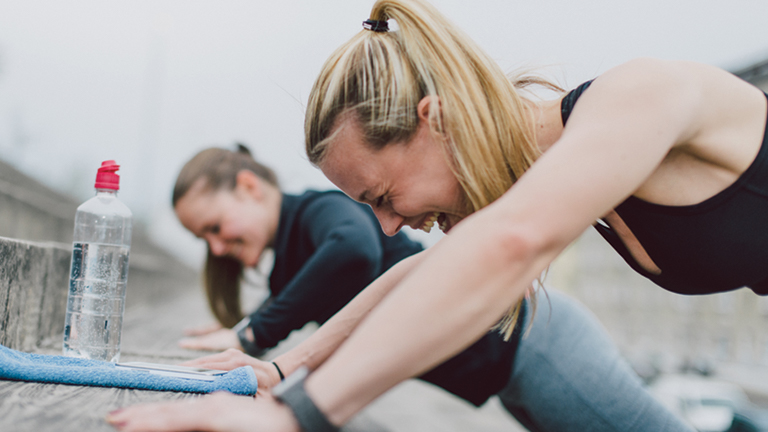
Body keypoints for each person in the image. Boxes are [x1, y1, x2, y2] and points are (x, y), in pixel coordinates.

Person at [106, 0, 768, 429]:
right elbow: (414, 275)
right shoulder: (540, 176)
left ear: (434, 120)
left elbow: (513, 243)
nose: (388, 227)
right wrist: (282, 369)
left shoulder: (641, 96)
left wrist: (296, 417)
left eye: (384, 199)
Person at [156, 144, 690, 431]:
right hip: (510, 378)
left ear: (249, 187)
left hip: (538, 348)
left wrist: (254, 335)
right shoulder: (291, 261)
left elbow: (353, 254)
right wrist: (246, 339)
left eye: (214, 227)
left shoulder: (317, 211)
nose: (217, 248)